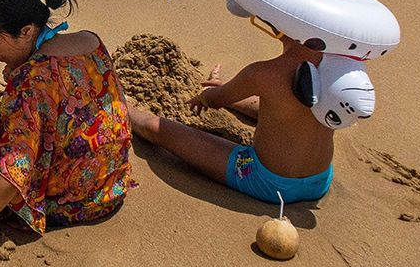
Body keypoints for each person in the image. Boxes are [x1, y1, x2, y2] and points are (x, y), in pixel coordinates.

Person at [0, 0, 134, 253]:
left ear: (27, 30)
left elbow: (12, 174)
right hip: (110, 186)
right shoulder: (91, 41)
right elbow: (66, 99)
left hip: (66, 204)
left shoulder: (31, 80)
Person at [128, 35, 334, 204]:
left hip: (268, 182)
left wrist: (210, 94)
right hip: (320, 180)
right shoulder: (339, 71)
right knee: (285, 108)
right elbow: (284, 106)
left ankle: (119, 103)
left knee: (155, 127)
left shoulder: (264, 72)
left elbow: (214, 101)